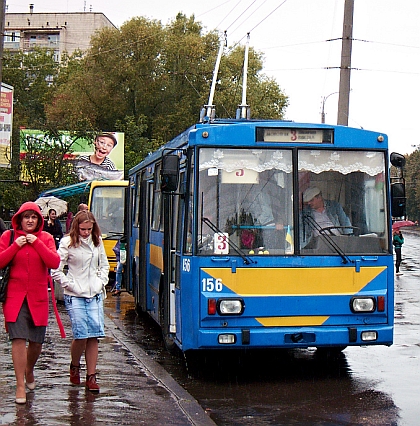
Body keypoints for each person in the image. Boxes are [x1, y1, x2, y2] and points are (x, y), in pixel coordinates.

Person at [0, 202, 60, 404]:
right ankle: (19, 385)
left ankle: (29, 370)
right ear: (19, 219)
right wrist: (15, 247)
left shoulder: (46, 238)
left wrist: (37, 243)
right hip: (14, 297)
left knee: (36, 343)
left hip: (38, 297)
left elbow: (54, 262)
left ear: (39, 220)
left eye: (33, 217)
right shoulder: (8, 237)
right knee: (17, 339)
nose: (30, 221)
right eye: (26, 217)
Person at [51, 210, 109, 393]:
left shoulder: (97, 241)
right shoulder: (67, 243)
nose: (86, 233)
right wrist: (70, 285)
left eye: (89, 229)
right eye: (83, 229)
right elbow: (56, 270)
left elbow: (104, 265)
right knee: (81, 334)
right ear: (76, 227)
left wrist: (101, 282)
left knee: (94, 335)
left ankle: (91, 376)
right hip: (75, 293)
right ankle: (74, 365)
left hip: (94, 292)